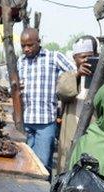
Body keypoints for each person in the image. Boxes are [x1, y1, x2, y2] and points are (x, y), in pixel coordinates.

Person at [18, 28, 75, 174]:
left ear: (39, 42)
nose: (26, 49)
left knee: (42, 166)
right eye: (23, 46)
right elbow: (12, 86)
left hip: (45, 122)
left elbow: (74, 72)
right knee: (24, 164)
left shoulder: (53, 57)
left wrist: (62, 85)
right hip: (25, 121)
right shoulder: (20, 61)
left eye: (30, 45)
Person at [55, 35, 98, 174]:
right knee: (68, 167)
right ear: (75, 59)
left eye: (89, 56)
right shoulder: (68, 76)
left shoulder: (101, 76)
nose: (85, 60)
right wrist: (78, 75)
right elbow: (63, 91)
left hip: (93, 133)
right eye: (82, 57)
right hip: (72, 132)